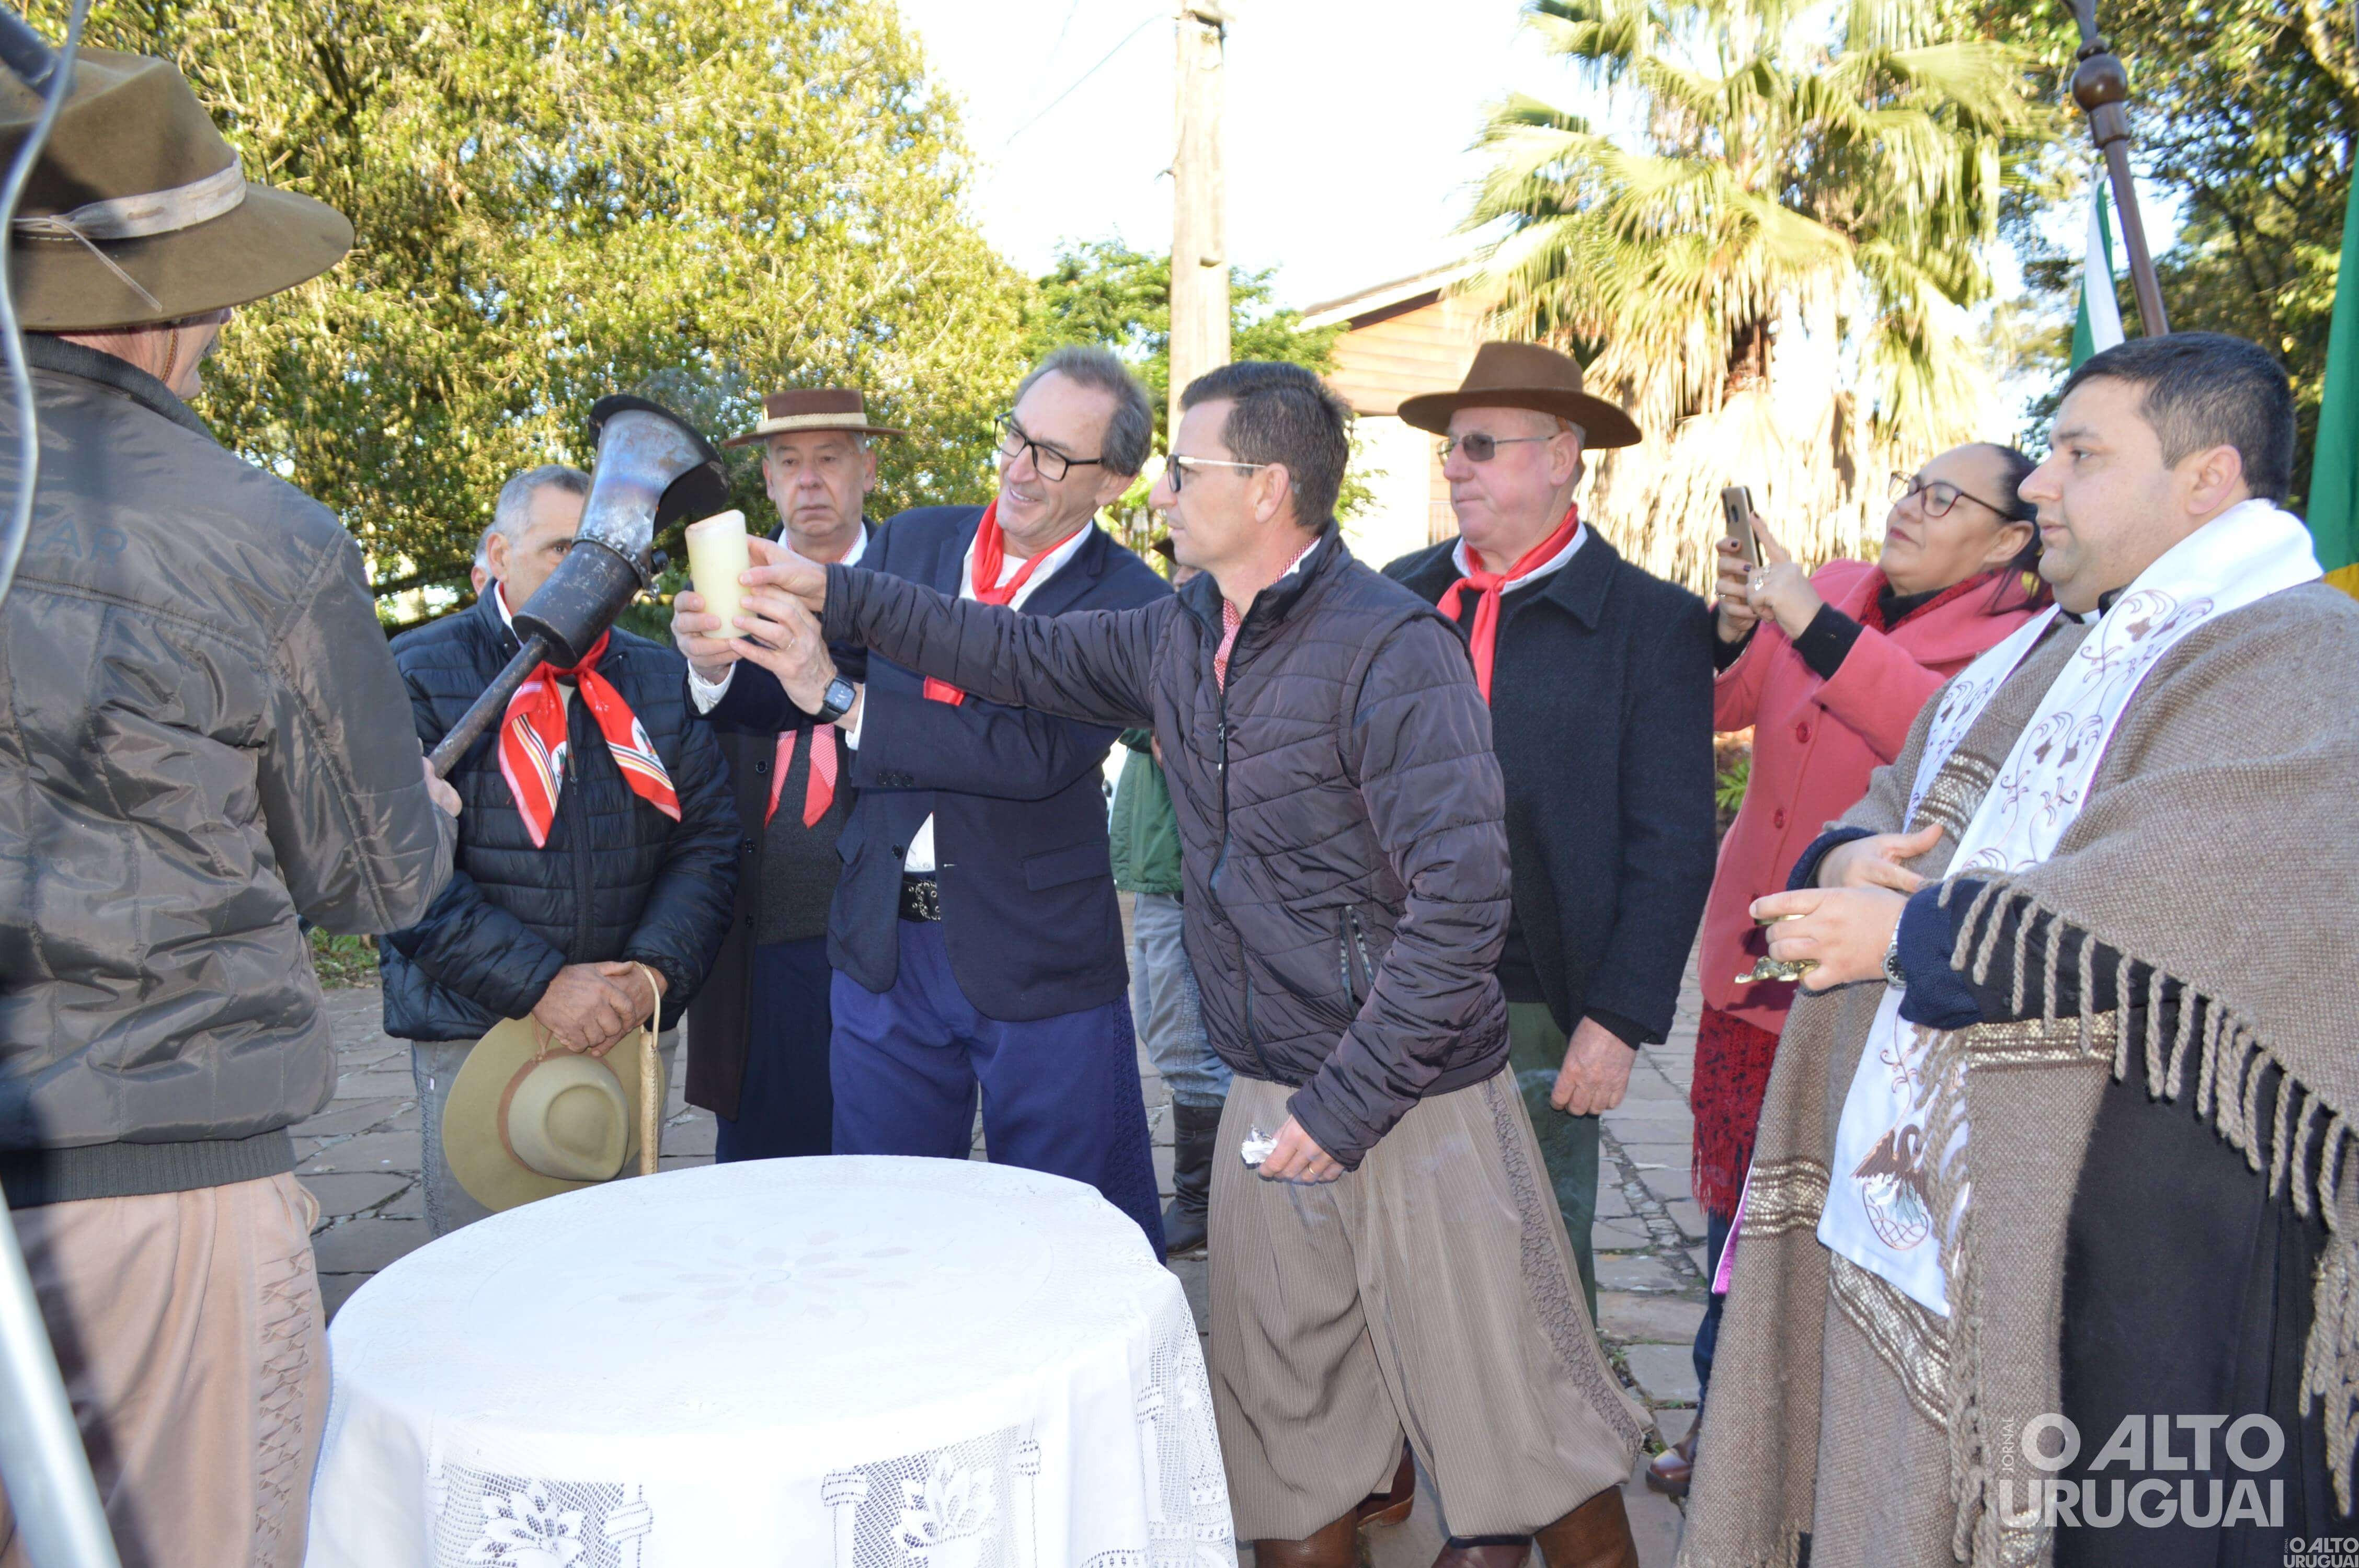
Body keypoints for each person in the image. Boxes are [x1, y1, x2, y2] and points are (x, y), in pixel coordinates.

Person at [722, 360, 1646, 1566]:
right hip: (1270, 1091)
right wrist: (831, 590)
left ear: (1266, 489)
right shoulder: (1180, 632)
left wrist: (1348, 1103)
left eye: (1183, 470)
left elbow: (1464, 906)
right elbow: (1002, 650)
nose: (1157, 492)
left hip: (1413, 1097)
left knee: (1530, 1442)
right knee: (1285, 1457)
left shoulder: (1390, 648)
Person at [1685, 332, 2359, 1568]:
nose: (2041, 483)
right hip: (1943, 1191)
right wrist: (1843, 864)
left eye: (2079, 455)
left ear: (2207, 479)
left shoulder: (2298, 649)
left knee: (2138, 1517)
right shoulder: (2054, 644)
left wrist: (1904, 933)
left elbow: (2178, 891)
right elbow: (1889, 800)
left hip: (2160, 1218)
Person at [0, 50, 459, 1568]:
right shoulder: (262, 535)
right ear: (176, 310)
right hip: (155, 1192)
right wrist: (424, 808)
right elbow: (378, 881)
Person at [670, 345, 1172, 1252]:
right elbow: (791, 690)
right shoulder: (916, 542)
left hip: (1034, 950)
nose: (1021, 470)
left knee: (1068, 1227)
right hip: (884, 939)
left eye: (1056, 457)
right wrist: (716, 661)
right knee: (884, 1219)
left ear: (1117, 482)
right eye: (1016, 438)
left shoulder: (1134, 603)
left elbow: (1029, 755)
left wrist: (842, 699)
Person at [1647, 441, 2045, 1497]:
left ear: (2009, 540)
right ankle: (1724, 1420)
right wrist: (1738, 626)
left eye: (1943, 498)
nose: (1910, 506)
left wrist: (1812, 624)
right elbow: (1723, 704)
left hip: (1872, 992)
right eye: (1912, 485)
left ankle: (1822, 1451)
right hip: (1754, 953)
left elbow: (1939, 731)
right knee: (1734, 1220)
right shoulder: (1829, 586)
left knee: (1835, 1226)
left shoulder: (2020, 645)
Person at [1386, 341, 1717, 1321]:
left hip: (1537, 1000)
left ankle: (1553, 1422)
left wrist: (1617, 1021)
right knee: (1391, 1243)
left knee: (1532, 1263)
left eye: (1481, 446)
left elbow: (1672, 843)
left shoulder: (1650, 622)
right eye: (1452, 447)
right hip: (1387, 983)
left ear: (1562, 457)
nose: (1456, 468)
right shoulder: (1395, 594)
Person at [380, 464, 738, 1235]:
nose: (587, 576)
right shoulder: (414, 671)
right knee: (484, 1276)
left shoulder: (660, 677)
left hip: (623, 1027)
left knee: (616, 1267)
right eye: (560, 551)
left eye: (603, 557)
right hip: (475, 1031)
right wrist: (541, 983)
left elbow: (708, 841)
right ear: (498, 553)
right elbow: (393, 867)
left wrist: (653, 976)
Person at [677, 388, 896, 1161]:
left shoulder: (916, 580)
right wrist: (706, 670)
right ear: (766, 481)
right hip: (759, 938)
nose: (809, 481)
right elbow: (697, 742)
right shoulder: (723, 587)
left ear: (868, 470)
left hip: (891, 941)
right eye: (789, 462)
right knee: (763, 1177)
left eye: (829, 459)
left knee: (891, 1167)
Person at [1113, 543, 1227, 1254]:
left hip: (1189, 880)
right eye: (1177, 570)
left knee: (1187, 1046)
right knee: (1165, 1031)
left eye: (1191, 572)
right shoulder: (1176, 631)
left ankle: (1206, 1204)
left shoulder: (1215, 642)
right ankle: (1213, 1197)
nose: (1179, 581)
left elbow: (1151, 717)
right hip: (1163, 873)